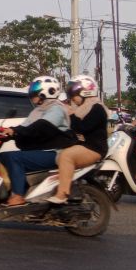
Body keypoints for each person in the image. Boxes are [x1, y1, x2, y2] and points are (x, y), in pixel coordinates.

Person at [0, 76, 76, 207]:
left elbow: (40, 127)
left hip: (55, 153)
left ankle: (18, 195)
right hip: (43, 150)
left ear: (47, 92)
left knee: (14, 158)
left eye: (35, 92)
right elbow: (25, 128)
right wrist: (8, 133)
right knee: (2, 156)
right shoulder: (38, 110)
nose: (32, 95)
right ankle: (16, 190)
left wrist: (15, 131)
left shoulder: (57, 109)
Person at [52, 74, 108, 203]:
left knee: (66, 156)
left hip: (95, 149)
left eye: (74, 95)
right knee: (59, 153)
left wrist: (71, 114)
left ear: (85, 92)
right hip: (86, 146)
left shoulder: (97, 108)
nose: (72, 99)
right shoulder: (83, 109)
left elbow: (82, 127)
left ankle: (63, 193)